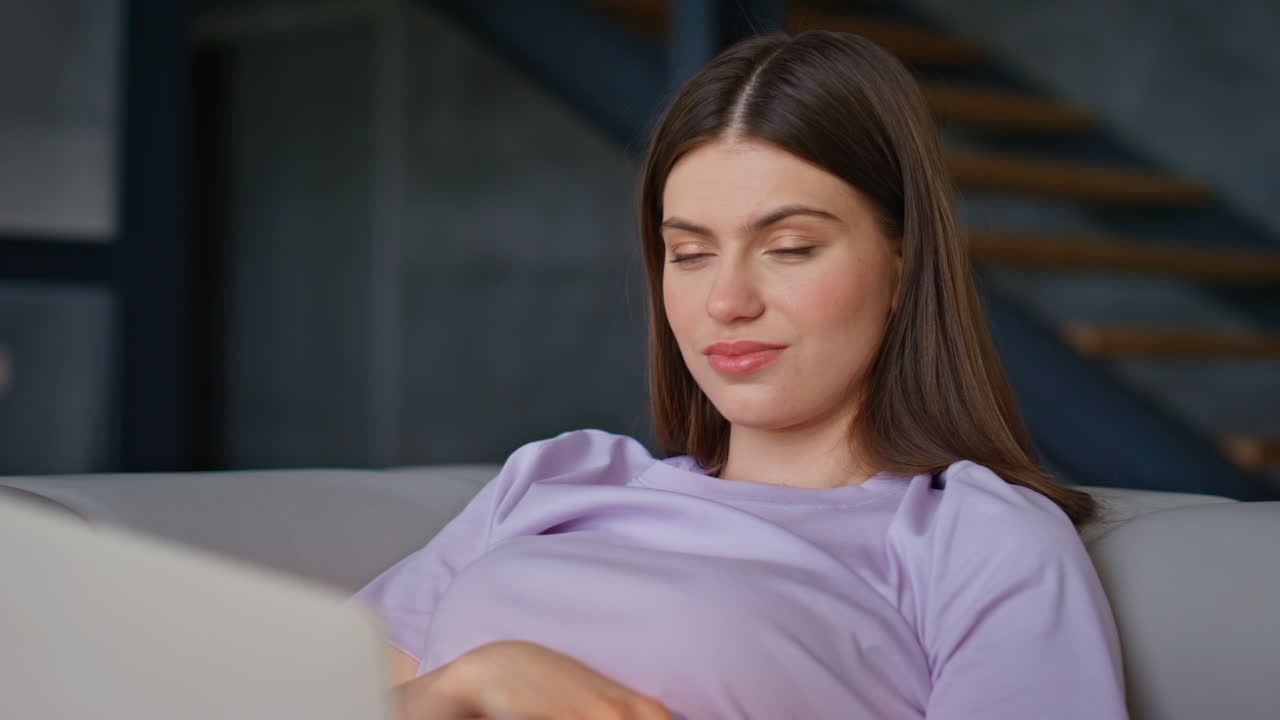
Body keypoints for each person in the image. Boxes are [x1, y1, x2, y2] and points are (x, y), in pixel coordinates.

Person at [352, 30, 1129, 720]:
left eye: (789, 247)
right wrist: (465, 684)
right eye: (689, 254)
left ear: (902, 264)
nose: (726, 301)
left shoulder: (977, 540)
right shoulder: (554, 478)